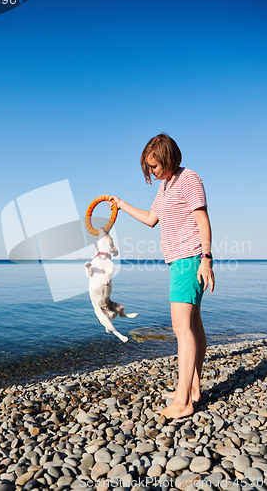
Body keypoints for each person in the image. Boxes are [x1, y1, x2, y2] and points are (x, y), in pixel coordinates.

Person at [109, 133, 215, 419]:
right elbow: (151, 219)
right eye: (148, 168)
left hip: (190, 259)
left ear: (168, 158)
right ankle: (192, 389)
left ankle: (183, 402)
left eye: (154, 166)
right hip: (179, 262)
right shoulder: (166, 186)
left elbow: (203, 220)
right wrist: (121, 204)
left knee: (181, 329)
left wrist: (206, 259)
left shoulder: (188, 178)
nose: (151, 172)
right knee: (193, 325)